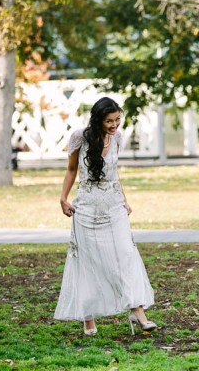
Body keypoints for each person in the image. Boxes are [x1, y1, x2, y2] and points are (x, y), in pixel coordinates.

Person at [54, 97, 156, 336]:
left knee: (125, 255)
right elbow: (71, 170)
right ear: (98, 119)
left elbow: (114, 173)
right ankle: (88, 319)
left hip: (113, 206)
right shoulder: (80, 137)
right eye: (109, 121)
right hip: (86, 207)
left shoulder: (118, 138)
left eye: (118, 119)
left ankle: (137, 310)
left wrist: (124, 199)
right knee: (87, 262)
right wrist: (63, 198)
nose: (114, 125)